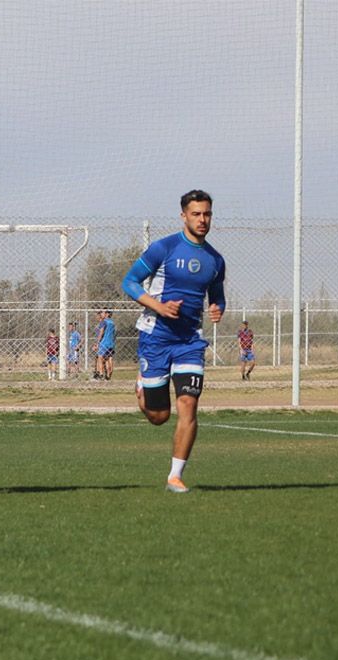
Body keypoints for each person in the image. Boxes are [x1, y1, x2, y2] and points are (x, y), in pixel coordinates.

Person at [121, 189, 225, 494]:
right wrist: (158, 306)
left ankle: (175, 476)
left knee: (189, 405)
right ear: (184, 216)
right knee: (159, 416)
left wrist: (218, 308)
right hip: (156, 338)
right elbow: (129, 281)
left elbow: (217, 298)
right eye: (196, 214)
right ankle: (143, 385)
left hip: (190, 341)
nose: (202, 219)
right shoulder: (163, 248)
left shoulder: (216, 260)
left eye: (206, 213)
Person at [94, 309, 116, 380]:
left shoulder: (104, 322)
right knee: (108, 358)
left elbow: (101, 332)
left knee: (100, 357)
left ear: (107, 314)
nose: (101, 314)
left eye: (102, 313)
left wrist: (97, 343)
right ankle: (109, 374)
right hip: (111, 343)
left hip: (104, 343)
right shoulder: (112, 323)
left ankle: (100, 373)